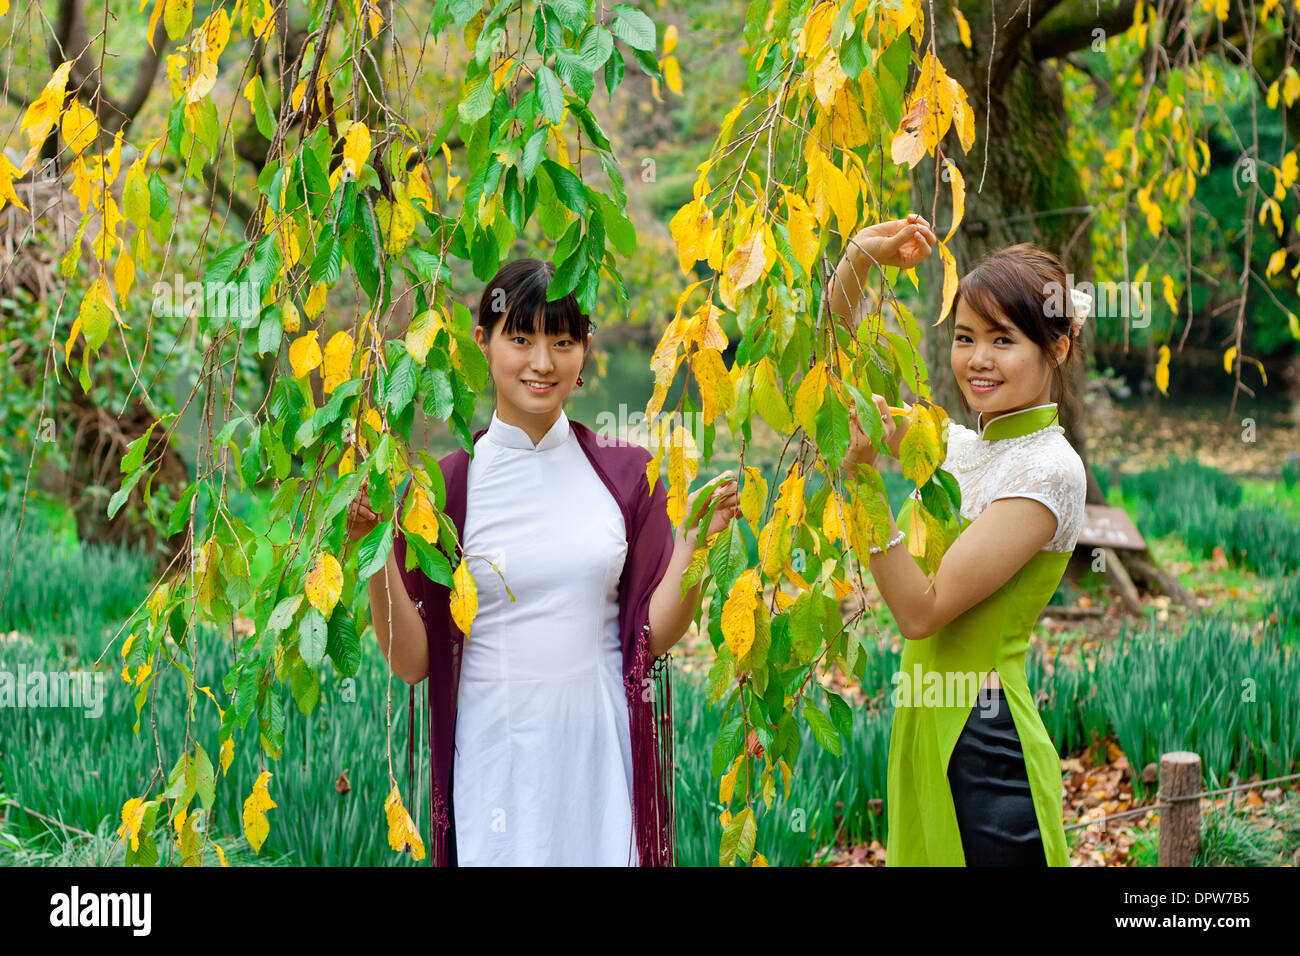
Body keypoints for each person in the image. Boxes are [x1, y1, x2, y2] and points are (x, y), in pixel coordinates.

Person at [346, 257, 739, 866]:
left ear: (585, 349)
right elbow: (412, 661)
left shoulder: (626, 477)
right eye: (521, 339)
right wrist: (371, 552)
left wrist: (695, 546)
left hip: (599, 762)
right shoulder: (445, 493)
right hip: (495, 767)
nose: (542, 363)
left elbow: (647, 639)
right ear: (484, 342)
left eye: (562, 341)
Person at [827, 217, 1089, 866]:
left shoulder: (1048, 471)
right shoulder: (959, 448)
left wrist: (861, 484)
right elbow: (834, 383)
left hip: (985, 743)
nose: (977, 359)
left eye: (1004, 340)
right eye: (966, 337)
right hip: (924, 717)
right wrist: (859, 258)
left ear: (1056, 348)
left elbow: (921, 612)